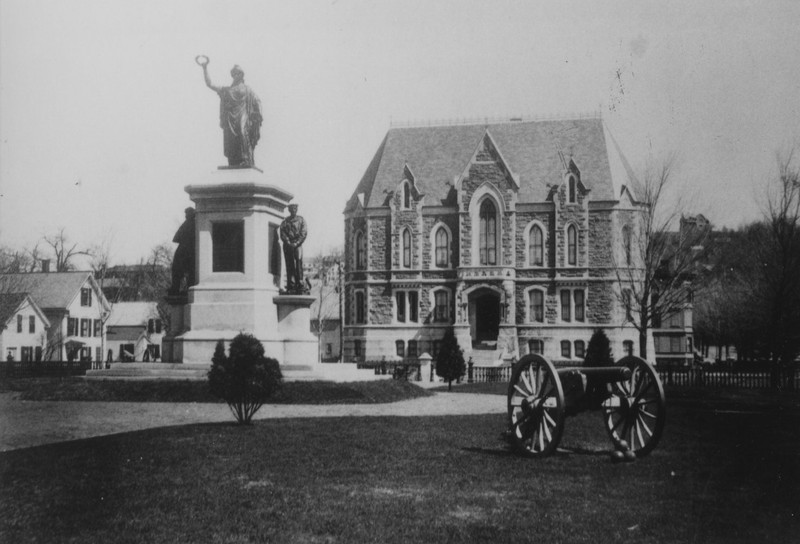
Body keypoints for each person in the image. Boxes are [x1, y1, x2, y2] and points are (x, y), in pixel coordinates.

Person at [197, 57, 263, 168]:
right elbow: (210, 84)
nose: (235, 76)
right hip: (230, 120)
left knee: (242, 133)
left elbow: (257, 102)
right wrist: (205, 68)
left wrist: (257, 116)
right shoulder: (227, 90)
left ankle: (245, 159)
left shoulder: (248, 90)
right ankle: (233, 162)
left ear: (241, 75)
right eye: (233, 74)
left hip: (243, 118)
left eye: (237, 74)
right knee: (230, 140)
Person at [280, 204, 308, 293]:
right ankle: (291, 285)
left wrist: (296, 243)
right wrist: (288, 242)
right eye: (291, 209)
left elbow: (304, 233)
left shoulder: (301, 220)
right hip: (288, 245)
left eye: (295, 209)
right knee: (290, 265)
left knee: (298, 263)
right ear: (289, 210)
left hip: (298, 245)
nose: (293, 210)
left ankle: (300, 284)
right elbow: (282, 233)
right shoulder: (285, 222)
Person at [170, 207, 196, 295]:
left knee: (187, 271)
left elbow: (177, 237)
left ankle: (180, 288)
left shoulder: (192, 223)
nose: (186, 216)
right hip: (185, 250)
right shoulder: (188, 223)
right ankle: (176, 288)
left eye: (187, 213)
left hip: (188, 251)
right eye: (186, 214)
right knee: (177, 270)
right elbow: (176, 238)